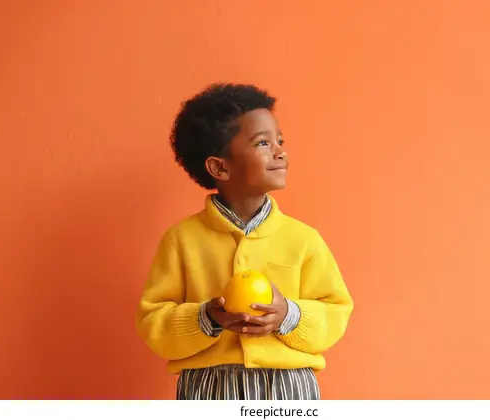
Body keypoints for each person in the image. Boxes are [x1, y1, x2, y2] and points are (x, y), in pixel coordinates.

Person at [135, 83, 353, 400]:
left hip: (288, 387)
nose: (280, 151)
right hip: (208, 388)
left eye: (280, 140)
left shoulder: (304, 239)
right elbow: (153, 321)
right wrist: (206, 317)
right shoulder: (181, 240)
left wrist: (288, 315)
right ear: (220, 167)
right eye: (262, 143)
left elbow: (336, 311)